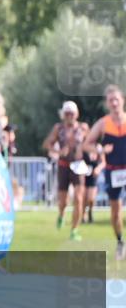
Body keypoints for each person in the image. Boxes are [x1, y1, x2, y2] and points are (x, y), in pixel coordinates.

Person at [84, 85, 126, 260]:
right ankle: (120, 242)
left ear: (122, 100)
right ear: (107, 104)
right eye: (111, 100)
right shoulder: (102, 123)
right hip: (112, 171)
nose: (114, 103)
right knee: (115, 212)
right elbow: (86, 145)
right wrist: (100, 149)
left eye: (117, 99)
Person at [43, 100, 90, 240]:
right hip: (63, 166)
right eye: (67, 113)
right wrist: (57, 152)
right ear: (63, 114)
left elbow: (90, 142)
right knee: (63, 201)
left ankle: (74, 230)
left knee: (79, 198)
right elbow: (46, 144)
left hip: (78, 165)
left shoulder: (83, 128)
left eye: (72, 113)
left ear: (76, 114)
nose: (70, 116)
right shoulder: (59, 128)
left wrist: (93, 153)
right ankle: (61, 214)